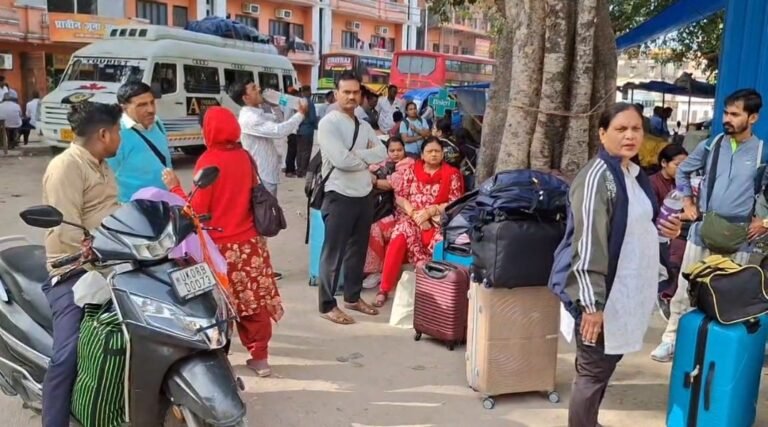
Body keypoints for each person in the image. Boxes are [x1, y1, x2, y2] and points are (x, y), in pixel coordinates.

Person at [552, 103, 682, 426]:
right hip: (599, 297)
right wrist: (591, 306)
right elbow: (587, 245)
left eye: (636, 129)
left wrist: (668, 231)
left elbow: (639, 228)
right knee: (592, 372)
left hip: (623, 295)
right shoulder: (598, 177)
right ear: (602, 133)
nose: (630, 135)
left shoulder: (634, 175)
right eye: (620, 129)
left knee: (605, 366)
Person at [163, 106, 283, 377]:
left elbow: (195, 210)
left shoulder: (208, 160)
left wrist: (174, 187)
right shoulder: (245, 157)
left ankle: (219, 362)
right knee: (254, 301)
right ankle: (260, 358)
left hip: (221, 248)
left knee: (221, 305)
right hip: (252, 244)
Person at [651, 88, 767, 363]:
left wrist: (764, 222)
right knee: (685, 288)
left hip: (740, 235)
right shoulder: (712, 145)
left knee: (729, 293)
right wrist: (688, 203)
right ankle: (671, 340)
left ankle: (718, 350)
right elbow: (683, 171)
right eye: (726, 112)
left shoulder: (762, 152)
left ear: (753, 118)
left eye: (734, 114)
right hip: (703, 231)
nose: (727, 119)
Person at [41, 101, 122, 427]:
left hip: (113, 265)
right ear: (104, 134)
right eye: (117, 132)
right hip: (75, 270)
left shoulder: (100, 163)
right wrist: (94, 252)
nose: (120, 138)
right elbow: (65, 229)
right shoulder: (66, 167)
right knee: (68, 355)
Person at [317, 71, 388, 325]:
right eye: (345, 92)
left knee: (357, 250)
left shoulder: (364, 124)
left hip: (363, 195)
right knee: (333, 253)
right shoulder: (329, 123)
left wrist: (356, 156)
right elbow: (340, 161)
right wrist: (363, 156)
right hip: (338, 195)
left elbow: (382, 152)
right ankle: (327, 305)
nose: (351, 96)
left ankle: (352, 297)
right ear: (336, 94)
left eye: (355, 92)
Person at [374, 136, 464, 307]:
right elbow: (400, 197)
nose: (434, 155)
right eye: (429, 151)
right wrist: (415, 215)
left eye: (437, 151)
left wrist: (431, 211)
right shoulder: (412, 171)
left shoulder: (451, 174)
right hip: (412, 217)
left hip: (438, 222)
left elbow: (455, 202)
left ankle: (436, 292)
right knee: (400, 234)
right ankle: (384, 288)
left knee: (440, 242)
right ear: (422, 155)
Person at [229, 80, 307, 197]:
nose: (259, 89)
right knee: (267, 213)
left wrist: (274, 106)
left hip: (267, 174)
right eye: (254, 88)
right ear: (246, 98)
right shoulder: (250, 119)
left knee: (269, 211)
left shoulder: (257, 114)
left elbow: (279, 121)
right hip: (261, 176)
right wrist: (301, 114)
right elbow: (279, 131)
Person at [107, 82, 172, 203]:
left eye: (152, 102)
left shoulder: (157, 123)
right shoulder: (116, 134)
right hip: (134, 212)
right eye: (142, 105)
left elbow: (166, 164)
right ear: (124, 108)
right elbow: (105, 179)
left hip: (165, 205)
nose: (151, 110)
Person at [363, 136, 414, 288]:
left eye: (399, 150)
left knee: (376, 228)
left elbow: (392, 184)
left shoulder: (408, 165)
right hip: (390, 209)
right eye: (392, 150)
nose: (396, 153)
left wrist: (373, 180)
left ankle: (376, 271)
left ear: (404, 150)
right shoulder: (386, 163)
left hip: (406, 211)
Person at [649, 144, 689, 321]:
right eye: (678, 164)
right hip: (658, 231)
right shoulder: (652, 183)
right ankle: (665, 293)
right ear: (664, 163)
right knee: (677, 249)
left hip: (678, 228)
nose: (682, 169)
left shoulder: (682, 185)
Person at [295, 85, 318, 178]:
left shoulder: (298, 102)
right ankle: (304, 170)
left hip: (299, 129)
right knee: (306, 151)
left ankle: (299, 169)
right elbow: (312, 118)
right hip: (308, 130)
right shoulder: (310, 103)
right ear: (308, 91)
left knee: (299, 151)